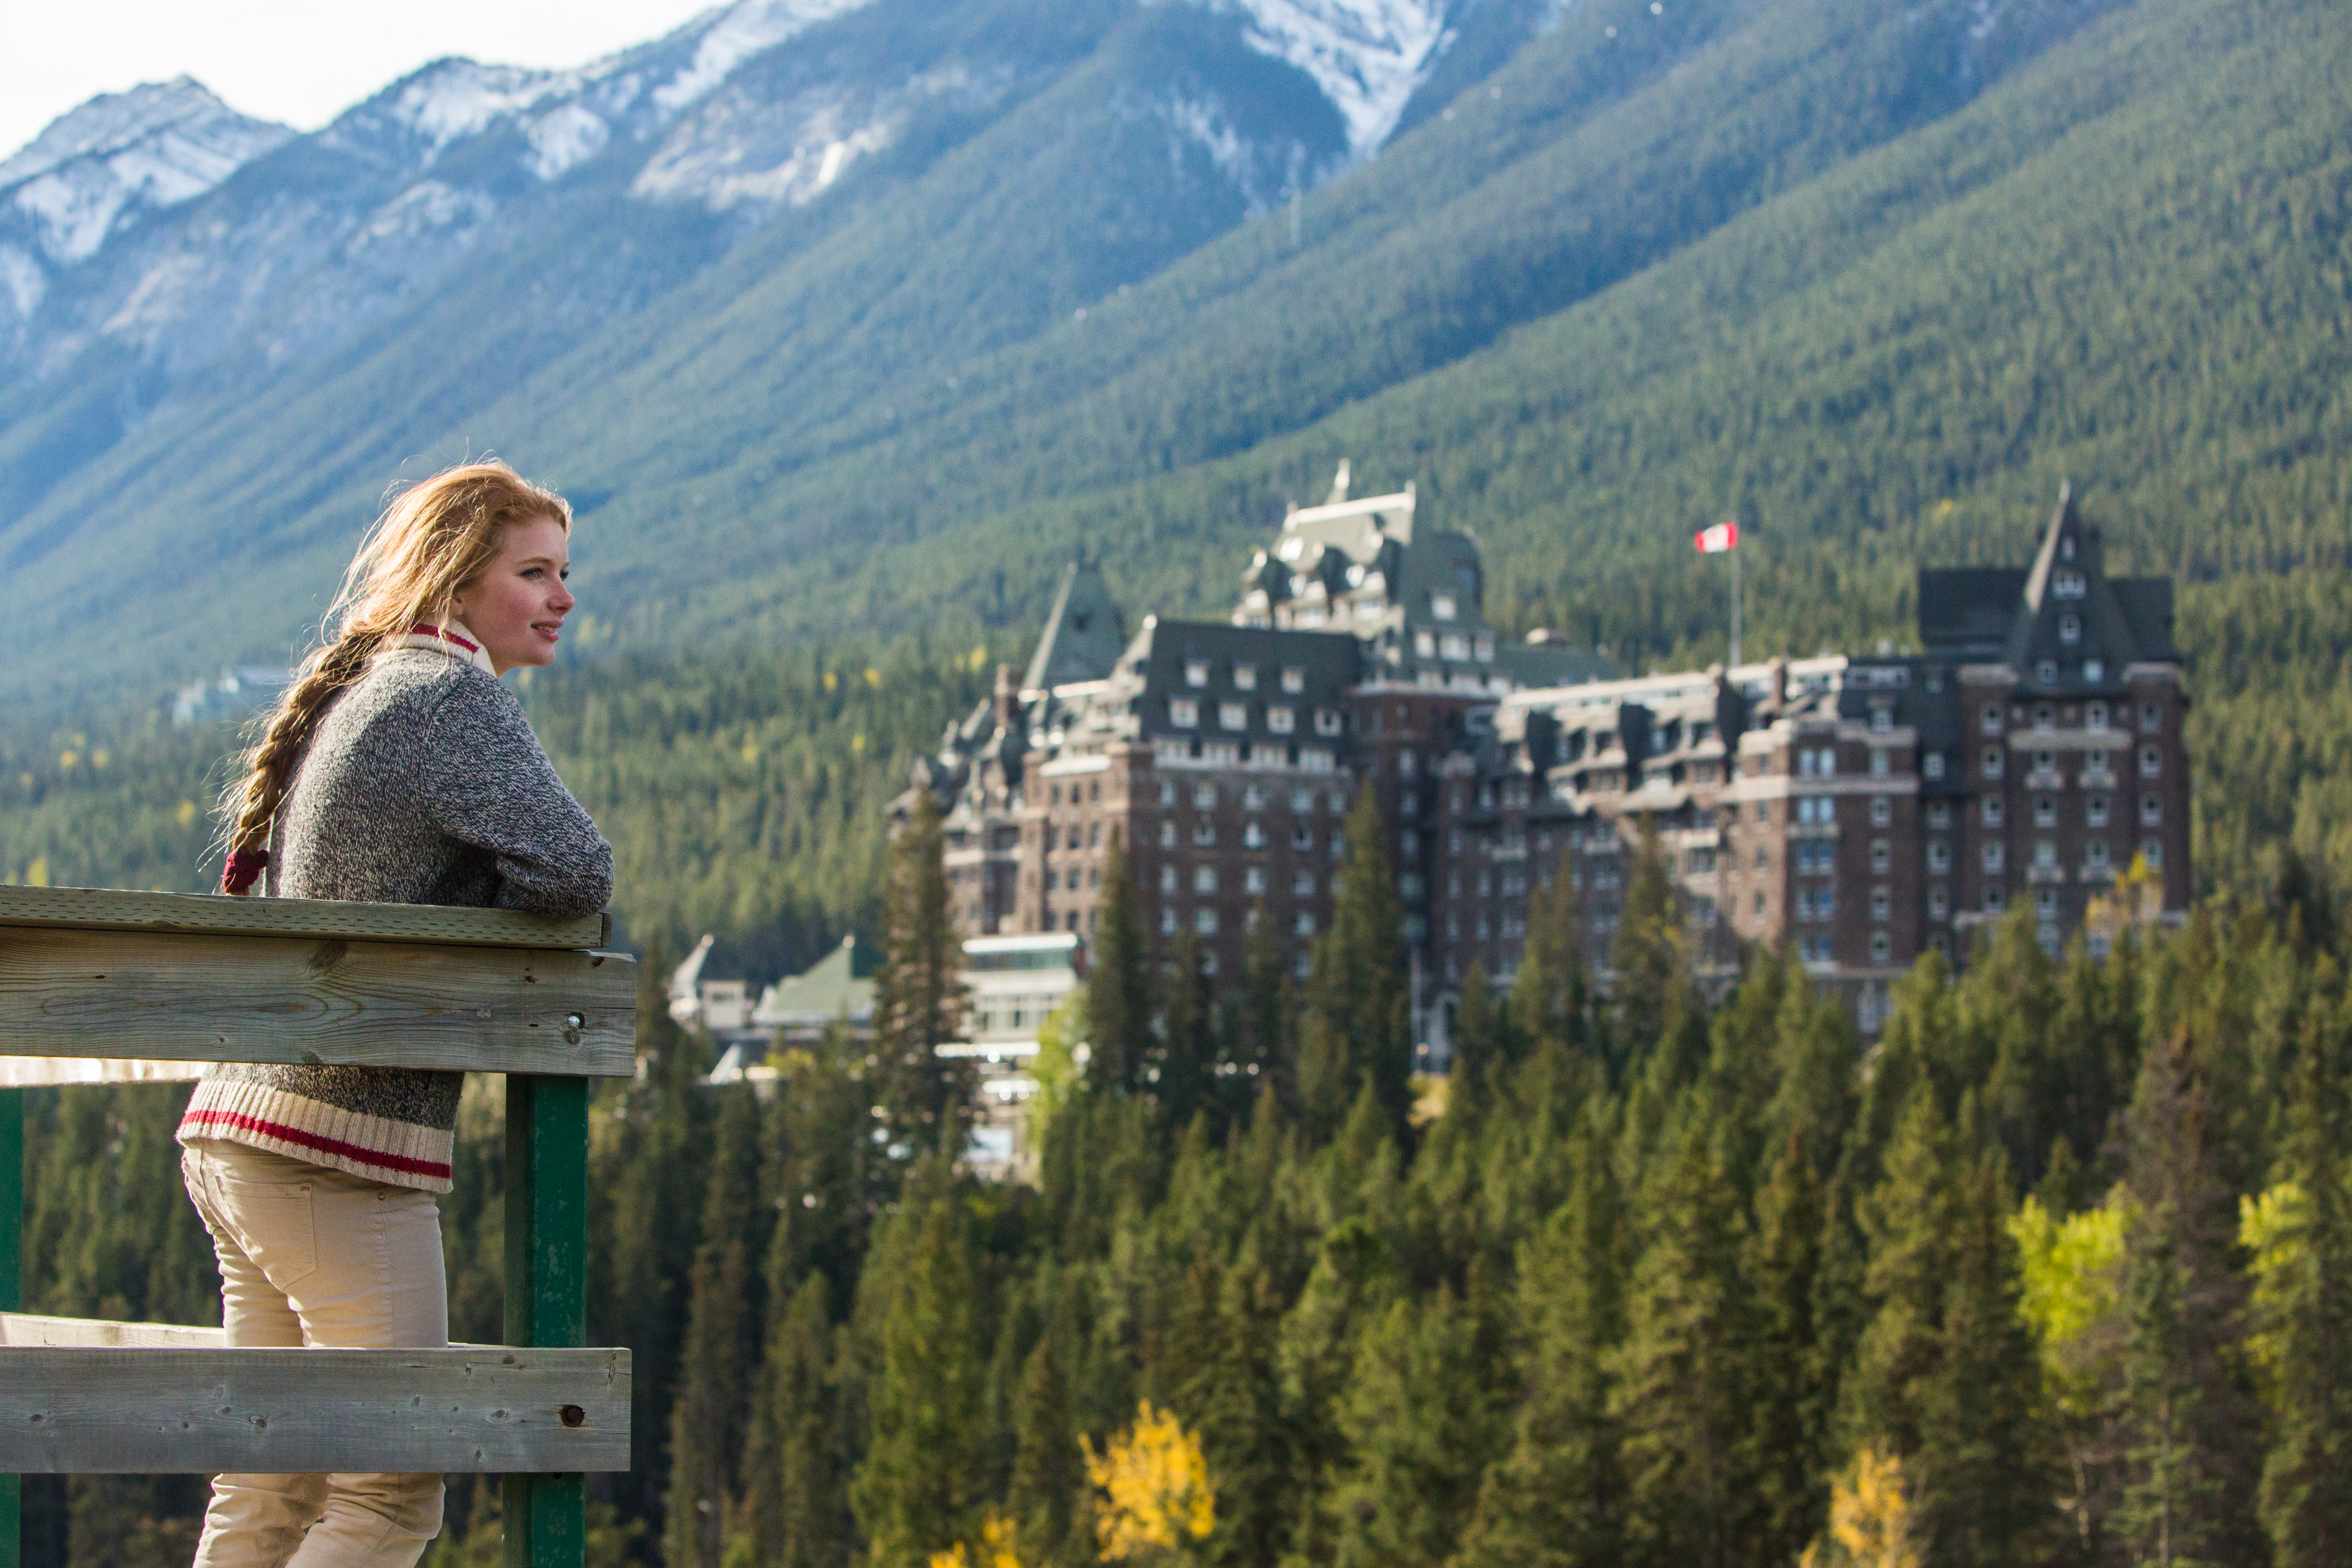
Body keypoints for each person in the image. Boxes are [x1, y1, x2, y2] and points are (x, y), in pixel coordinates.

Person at [176, 461, 614, 1567]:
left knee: (276, 1478)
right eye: (534, 573)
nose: (562, 597)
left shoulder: (376, 686)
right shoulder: (450, 694)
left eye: (565, 572)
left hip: (246, 1129)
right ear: (461, 581)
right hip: (336, 1148)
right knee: (391, 1485)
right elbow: (575, 872)